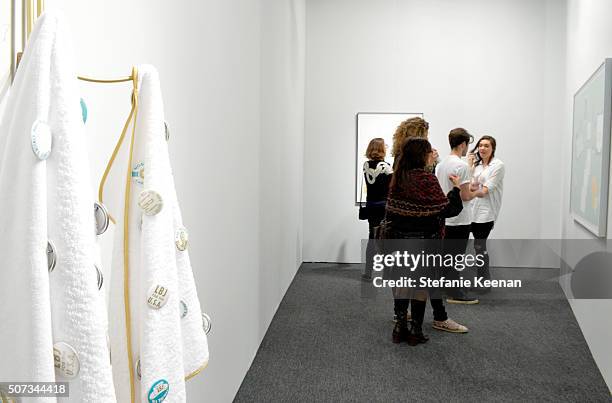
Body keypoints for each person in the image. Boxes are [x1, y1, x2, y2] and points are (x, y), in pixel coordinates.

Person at [387, 117, 467, 334]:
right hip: (425, 238)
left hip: (401, 237)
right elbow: (447, 209)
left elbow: (393, 207)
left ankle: (402, 321)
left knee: (405, 278)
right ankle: (426, 323)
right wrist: (456, 190)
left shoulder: (399, 172)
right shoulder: (422, 177)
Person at [435, 128, 480, 305]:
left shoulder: (441, 164)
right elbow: (465, 196)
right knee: (456, 257)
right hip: (460, 218)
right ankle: (455, 293)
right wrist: (478, 192)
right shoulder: (461, 166)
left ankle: (448, 286)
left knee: (447, 255)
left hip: (446, 216)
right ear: (463, 144)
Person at [469, 135, 505, 292]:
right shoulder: (476, 166)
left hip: (486, 212)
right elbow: (471, 186)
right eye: (480, 145)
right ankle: (481, 280)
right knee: (476, 247)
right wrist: (470, 169)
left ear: (493, 148)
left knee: (479, 246)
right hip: (472, 211)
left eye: (486, 146)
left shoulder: (498, 165)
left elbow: (483, 191)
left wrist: (472, 189)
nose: (482, 148)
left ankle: (484, 282)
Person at [362, 138, 393, 280]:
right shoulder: (386, 167)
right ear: (382, 149)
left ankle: (368, 272)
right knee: (385, 240)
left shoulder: (365, 165)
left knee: (372, 238)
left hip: (371, 206)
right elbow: (392, 187)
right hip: (384, 207)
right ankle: (387, 274)